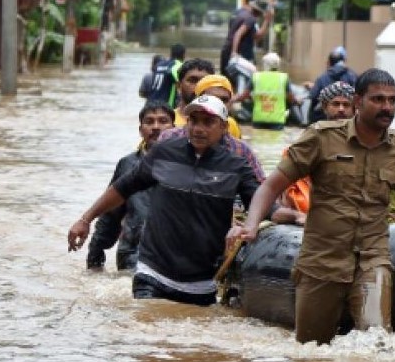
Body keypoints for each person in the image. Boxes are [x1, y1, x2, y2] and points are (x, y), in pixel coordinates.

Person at [229, 68, 395, 344]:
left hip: (373, 257)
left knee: (377, 342)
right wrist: (251, 226)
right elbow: (271, 185)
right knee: (312, 350)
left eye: (392, 100)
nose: (387, 107)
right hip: (321, 260)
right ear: (358, 102)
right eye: (379, 99)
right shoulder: (321, 138)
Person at [68, 96, 261, 306]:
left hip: (202, 283)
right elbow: (122, 188)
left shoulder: (236, 166)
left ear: (223, 127)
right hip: (152, 273)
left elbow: (263, 203)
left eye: (208, 122)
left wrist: (255, 224)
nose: (198, 128)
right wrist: (85, 220)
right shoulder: (163, 153)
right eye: (194, 121)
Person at [86, 101, 175, 272]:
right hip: (132, 254)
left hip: (172, 256)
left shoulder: (186, 164)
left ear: (174, 128)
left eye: (163, 121)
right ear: (141, 130)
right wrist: (95, 257)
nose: (156, 127)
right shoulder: (128, 164)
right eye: (149, 122)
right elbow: (111, 214)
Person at [280, 81, 356, 215]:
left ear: (354, 109)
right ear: (325, 107)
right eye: (336, 104)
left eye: (346, 105)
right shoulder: (313, 135)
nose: (341, 109)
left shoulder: (362, 138)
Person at [174, 73, 242, 139]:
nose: (219, 104)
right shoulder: (174, 133)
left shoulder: (231, 125)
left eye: (224, 100)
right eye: (212, 98)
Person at [221, 0, 273, 75]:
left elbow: (253, 35)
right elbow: (239, 34)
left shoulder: (236, 13)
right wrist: (234, 52)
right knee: (248, 80)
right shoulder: (250, 19)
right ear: (260, 12)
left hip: (226, 51)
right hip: (240, 55)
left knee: (226, 83)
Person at [307, 47, 358, 123]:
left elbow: (313, 95)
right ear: (343, 61)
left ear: (329, 63)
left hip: (323, 120)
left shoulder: (322, 77)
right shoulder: (353, 76)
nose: (340, 109)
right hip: (347, 121)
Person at [250, 52, 294, 130]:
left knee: (257, 140)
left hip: (259, 118)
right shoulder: (284, 78)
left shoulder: (256, 76)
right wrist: (296, 102)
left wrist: (233, 99)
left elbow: (244, 95)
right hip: (277, 120)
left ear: (265, 64)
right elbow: (290, 98)